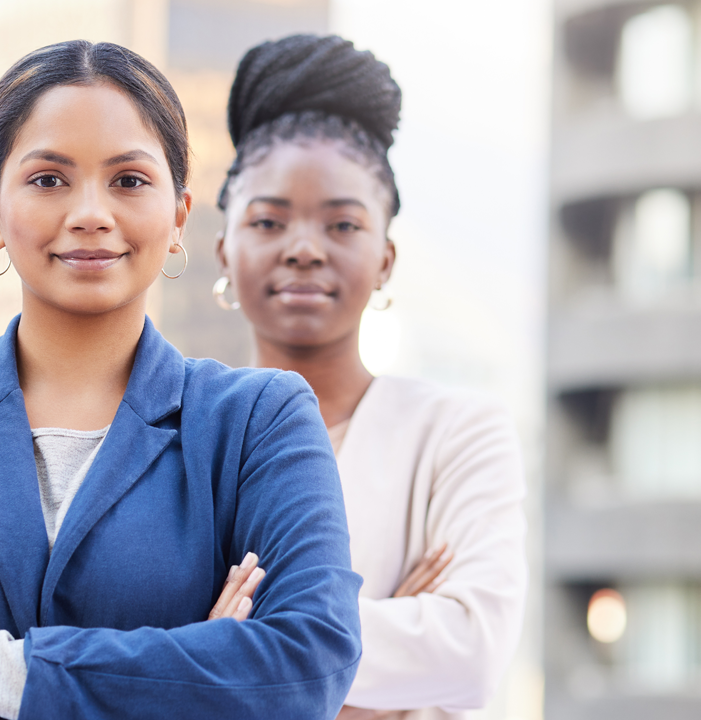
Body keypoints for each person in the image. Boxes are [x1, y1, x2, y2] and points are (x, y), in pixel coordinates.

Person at [0, 39, 362, 720]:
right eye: (49, 179)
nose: (90, 213)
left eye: (129, 181)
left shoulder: (260, 422)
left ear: (179, 215)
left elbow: (306, 664)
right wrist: (191, 679)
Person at [213, 35, 528, 720]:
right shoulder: (179, 433)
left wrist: (232, 646)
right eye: (268, 220)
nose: (304, 248)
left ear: (385, 258)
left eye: (343, 224)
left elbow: (471, 654)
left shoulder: (456, 434)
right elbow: (136, 660)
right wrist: (383, 653)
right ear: (224, 250)